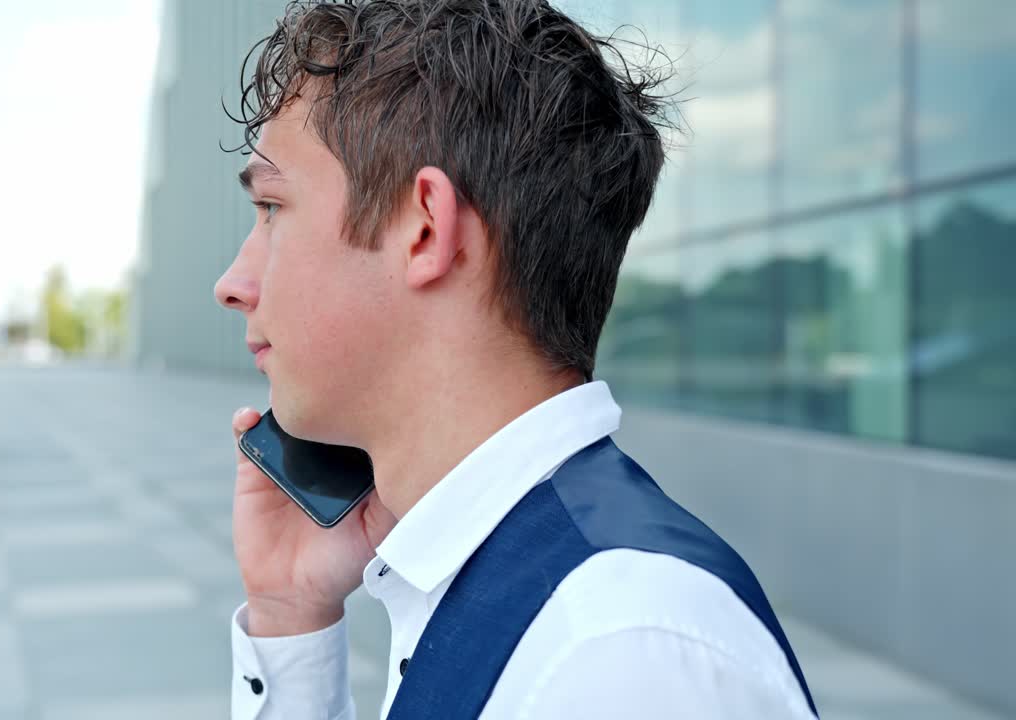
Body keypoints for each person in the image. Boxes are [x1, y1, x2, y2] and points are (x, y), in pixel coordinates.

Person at [212, 1, 818, 718]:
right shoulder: (537, 596)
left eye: (274, 209)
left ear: (424, 230)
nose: (232, 285)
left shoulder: (618, 654)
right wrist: (291, 618)